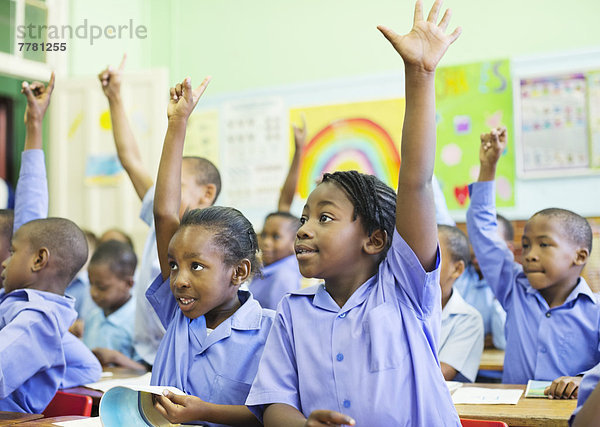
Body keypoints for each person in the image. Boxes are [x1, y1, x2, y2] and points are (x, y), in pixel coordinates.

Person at [246, 1, 462, 424]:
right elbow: (274, 405)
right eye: (305, 218)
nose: (304, 230)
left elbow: (415, 182)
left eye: (324, 218)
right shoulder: (293, 312)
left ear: (375, 239)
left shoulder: (404, 290)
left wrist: (419, 76)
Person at [145, 76, 274, 426]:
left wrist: (206, 413)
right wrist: (177, 122)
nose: (179, 280)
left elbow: (274, 414)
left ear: (239, 272)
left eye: (196, 267)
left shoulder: (271, 331)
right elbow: (164, 214)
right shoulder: (180, 313)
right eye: (174, 266)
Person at [99, 56, 222, 366]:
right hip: (145, 357)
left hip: (186, 358)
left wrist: (177, 121)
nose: (165, 188)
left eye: (176, 182)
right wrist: (114, 97)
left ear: (207, 194)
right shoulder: (160, 215)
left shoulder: (213, 240)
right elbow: (130, 159)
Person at [466, 127, 599, 398]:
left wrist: (582, 379)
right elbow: (482, 232)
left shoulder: (595, 311)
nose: (530, 254)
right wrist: (488, 167)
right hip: (517, 414)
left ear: (580, 256)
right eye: (526, 245)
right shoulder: (514, 287)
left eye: (544, 244)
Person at [0, 74, 100, 413]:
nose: (4, 260)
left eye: (12, 252)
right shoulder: (30, 308)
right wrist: (34, 126)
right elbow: (88, 368)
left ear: (39, 261)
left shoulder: (37, 319)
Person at [249, 117, 305, 309]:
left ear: (294, 242)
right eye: (264, 234)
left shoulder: (284, 277)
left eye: (275, 237)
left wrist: (299, 151)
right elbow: (284, 201)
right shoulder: (273, 267)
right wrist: (298, 151)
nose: (266, 241)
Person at [82, 240, 145, 370]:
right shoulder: (93, 317)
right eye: (91, 284)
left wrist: (116, 358)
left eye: (102, 287)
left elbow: (146, 371)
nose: (93, 293)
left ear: (128, 284)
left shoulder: (140, 322)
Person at [438, 225, 484, 382]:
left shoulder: (468, 318)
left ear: (457, 269)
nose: (418, 263)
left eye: (432, 255)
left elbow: (440, 375)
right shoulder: (398, 308)